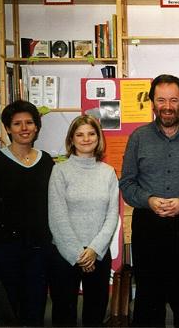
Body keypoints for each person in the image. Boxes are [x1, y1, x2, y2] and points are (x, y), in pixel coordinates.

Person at [119, 74, 179, 327]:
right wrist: (148, 200)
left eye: (173, 100)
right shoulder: (138, 137)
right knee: (149, 300)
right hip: (147, 226)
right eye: (161, 100)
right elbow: (126, 184)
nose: (167, 106)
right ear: (152, 102)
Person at [0, 100, 54, 326]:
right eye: (17, 124)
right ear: (8, 128)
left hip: (38, 249)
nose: (24, 128)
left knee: (35, 306)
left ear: (37, 127)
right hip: (3, 249)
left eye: (29, 122)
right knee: (9, 308)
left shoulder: (46, 161)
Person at [48, 115, 119, 326]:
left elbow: (112, 215)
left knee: (95, 315)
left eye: (91, 133)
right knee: (63, 315)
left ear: (98, 138)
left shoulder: (108, 173)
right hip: (65, 255)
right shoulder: (59, 171)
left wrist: (94, 250)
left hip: (98, 255)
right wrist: (79, 254)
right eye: (79, 134)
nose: (86, 139)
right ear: (71, 139)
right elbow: (57, 216)